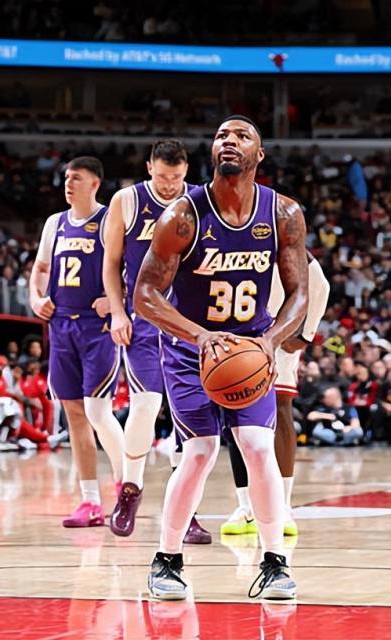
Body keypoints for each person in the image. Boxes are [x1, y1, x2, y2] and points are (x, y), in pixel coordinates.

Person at [135, 116, 308, 601]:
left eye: (241, 136)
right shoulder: (183, 215)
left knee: (257, 445)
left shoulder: (284, 213)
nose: (229, 141)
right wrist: (200, 336)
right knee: (200, 452)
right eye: (221, 136)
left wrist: (271, 340)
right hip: (191, 350)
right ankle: (166, 559)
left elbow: (299, 294)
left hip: (251, 347)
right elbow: (144, 295)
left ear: (259, 154)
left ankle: (275, 562)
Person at [103, 139, 208, 543]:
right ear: (149, 168)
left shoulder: (199, 202)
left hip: (188, 321)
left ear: (186, 172)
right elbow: (111, 264)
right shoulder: (127, 201)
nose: (169, 185)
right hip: (144, 319)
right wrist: (117, 312)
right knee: (146, 405)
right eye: (163, 176)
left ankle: (187, 510)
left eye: (176, 177)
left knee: (188, 416)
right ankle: (130, 489)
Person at [29, 156, 126, 528]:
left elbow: (131, 270)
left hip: (96, 327)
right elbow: (41, 269)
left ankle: (126, 485)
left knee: (98, 411)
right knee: (74, 414)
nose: (69, 184)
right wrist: (36, 299)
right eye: (67, 178)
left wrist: (116, 301)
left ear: (95, 184)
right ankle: (90, 502)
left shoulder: (109, 220)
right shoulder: (54, 223)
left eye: (77, 178)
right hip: (61, 326)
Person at [222, 255, 329, 537]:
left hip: (279, 335)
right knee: (236, 411)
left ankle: (283, 506)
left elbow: (321, 285)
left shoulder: (287, 244)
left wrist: (305, 335)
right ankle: (246, 507)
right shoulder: (232, 239)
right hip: (238, 330)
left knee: (281, 407)